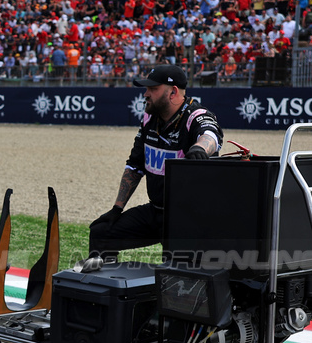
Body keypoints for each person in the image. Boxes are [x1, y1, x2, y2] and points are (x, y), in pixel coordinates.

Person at [87, 65, 222, 264]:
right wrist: (117, 208)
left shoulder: (195, 115)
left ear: (173, 92)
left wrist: (200, 149)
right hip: (156, 211)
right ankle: (105, 285)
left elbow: (211, 134)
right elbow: (135, 166)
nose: (146, 94)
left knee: (173, 276)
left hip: (188, 218)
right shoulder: (150, 117)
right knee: (101, 233)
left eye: (153, 89)